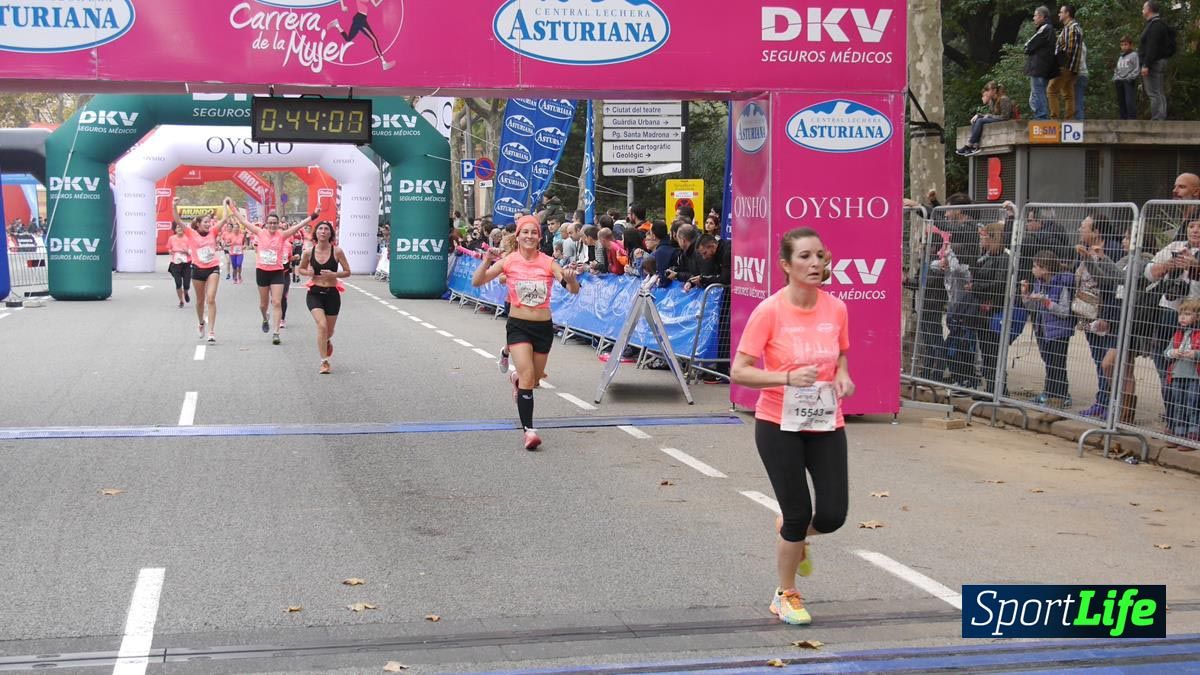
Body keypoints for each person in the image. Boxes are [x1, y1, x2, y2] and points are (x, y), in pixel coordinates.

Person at [730, 227, 854, 626]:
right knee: (798, 511)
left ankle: (792, 532)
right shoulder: (770, 311)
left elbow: (842, 355)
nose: (815, 263)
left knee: (833, 515)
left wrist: (843, 378)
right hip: (777, 423)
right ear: (786, 265)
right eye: (804, 257)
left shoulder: (836, 308)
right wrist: (785, 379)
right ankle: (786, 594)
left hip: (825, 420)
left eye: (820, 255)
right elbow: (740, 372)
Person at [472, 215, 580, 450]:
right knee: (529, 376)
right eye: (525, 232)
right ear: (518, 236)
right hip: (518, 326)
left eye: (534, 232)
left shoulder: (549, 262)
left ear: (539, 238)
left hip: (543, 328)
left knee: (535, 378)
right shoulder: (509, 261)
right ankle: (529, 431)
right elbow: (477, 282)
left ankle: (516, 379)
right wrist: (486, 261)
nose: (529, 236)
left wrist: (571, 280)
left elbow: (572, 290)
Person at [227, 201, 317, 346]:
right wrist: (232, 207)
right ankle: (264, 317)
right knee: (263, 305)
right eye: (270, 223)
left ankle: (276, 333)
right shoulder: (259, 232)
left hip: (277, 272)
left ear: (278, 224)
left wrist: (313, 215)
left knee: (276, 301)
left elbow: (298, 226)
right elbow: (243, 221)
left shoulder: (282, 235)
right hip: (262, 271)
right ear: (266, 224)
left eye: (275, 223)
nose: (273, 225)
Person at [1020, 250, 1075, 407]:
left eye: (1036, 266)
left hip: (1058, 331)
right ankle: (1050, 392)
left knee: (1057, 363)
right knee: (1049, 361)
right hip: (1042, 328)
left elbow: (1064, 311)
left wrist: (1047, 302)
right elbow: (1033, 307)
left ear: (1045, 269)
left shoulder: (1061, 285)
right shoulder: (1039, 284)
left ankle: (1061, 394)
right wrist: (1026, 295)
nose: (1033, 269)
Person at [298, 221, 351, 375]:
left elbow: (348, 271)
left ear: (330, 233)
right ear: (316, 233)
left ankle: (326, 340)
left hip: (332, 294)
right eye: (320, 229)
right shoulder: (308, 252)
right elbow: (300, 268)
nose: (323, 231)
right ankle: (324, 362)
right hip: (314, 293)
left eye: (326, 229)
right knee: (321, 326)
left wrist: (334, 274)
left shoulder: (337, 252)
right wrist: (308, 273)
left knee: (329, 330)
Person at [176, 206, 222, 343]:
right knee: (200, 300)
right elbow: (177, 220)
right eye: (205, 222)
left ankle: (211, 331)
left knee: (211, 299)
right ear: (198, 224)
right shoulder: (191, 233)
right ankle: (201, 322)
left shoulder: (213, 232)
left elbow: (225, 219)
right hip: (197, 269)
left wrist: (226, 205)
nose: (208, 224)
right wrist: (173, 205)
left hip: (213, 267)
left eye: (209, 222)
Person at [1163, 298, 1200, 444]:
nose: (1183, 317)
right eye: (1181, 314)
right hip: (1177, 375)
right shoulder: (1178, 334)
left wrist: (1196, 354)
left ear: (1197, 317)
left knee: (1192, 403)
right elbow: (1166, 353)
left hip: (1194, 376)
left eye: (1188, 314)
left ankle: (1193, 432)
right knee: (1178, 403)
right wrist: (1173, 352)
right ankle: (1179, 431)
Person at [327, 0, 394, 71]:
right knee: (374, 40)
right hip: (360, 20)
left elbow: (375, 5)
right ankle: (384, 63)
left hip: (360, 19)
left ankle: (336, 24)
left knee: (348, 39)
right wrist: (342, 6)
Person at [956, 81, 1015, 156]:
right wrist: (979, 115)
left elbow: (1005, 117)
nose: (986, 93)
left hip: (1006, 121)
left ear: (994, 91)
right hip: (998, 120)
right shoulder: (992, 102)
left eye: (988, 90)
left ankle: (969, 145)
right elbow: (992, 115)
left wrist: (989, 116)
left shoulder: (1004, 99)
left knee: (980, 121)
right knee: (977, 119)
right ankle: (975, 146)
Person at [1047, 5, 1084, 120]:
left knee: (1051, 90)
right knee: (1068, 94)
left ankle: (1054, 119)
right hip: (1073, 68)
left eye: (1061, 12)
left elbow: (1069, 49)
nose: (1059, 14)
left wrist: (1059, 64)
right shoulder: (1074, 28)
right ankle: (1069, 120)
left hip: (1066, 66)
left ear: (1067, 14)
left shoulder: (1071, 28)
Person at [1138, 0, 1171, 121]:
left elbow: (1152, 47)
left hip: (1153, 63)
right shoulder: (1157, 24)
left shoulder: (1155, 25)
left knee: (1153, 92)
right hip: (1157, 61)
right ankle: (1160, 116)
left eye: (1143, 8)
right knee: (1158, 90)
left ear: (1149, 10)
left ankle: (1157, 118)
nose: (1142, 11)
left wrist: (1146, 64)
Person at [1024, 6, 1058, 120]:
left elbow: (1029, 45)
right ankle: (1039, 116)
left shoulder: (1045, 28)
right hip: (1040, 67)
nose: (1033, 18)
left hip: (1039, 67)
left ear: (1042, 16)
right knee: (1034, 96)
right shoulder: (1046, 29)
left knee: (1038, 93)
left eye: (1035, 15)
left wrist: (1027, 47)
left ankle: (1042, 117)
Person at [166, 221, 192, 309]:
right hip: (176, 263)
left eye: (181, 227)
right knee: (178, 283)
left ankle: (186, 292)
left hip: (186, 263)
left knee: (186, 284)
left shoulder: (188, 238)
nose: (180, 229)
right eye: (178, 228)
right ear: (175, 229)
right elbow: (169, 249)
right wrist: (171, 251)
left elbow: (192, 251)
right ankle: (181, 300)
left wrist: (186, 251)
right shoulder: (171, 238)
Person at [225, 221, 247, 285]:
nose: (236, 229)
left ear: (239, 228)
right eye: (234, 228)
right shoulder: (230, 236)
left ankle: (239, 276)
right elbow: (226, 244)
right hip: (233, 253)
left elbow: (245, 242)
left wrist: (244, 246)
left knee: (239, 264)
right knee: (234, 267)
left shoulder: (242, 235)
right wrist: (231, 243)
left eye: (237, 227)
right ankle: (235, 278)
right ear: (233, 229)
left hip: (240, 253)